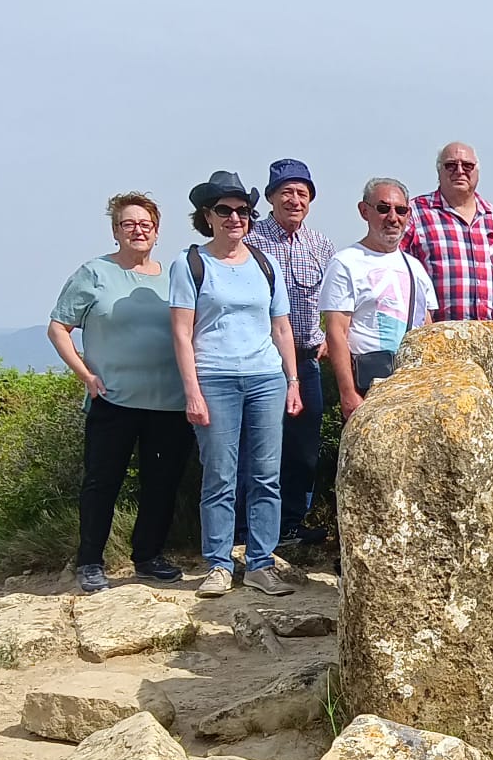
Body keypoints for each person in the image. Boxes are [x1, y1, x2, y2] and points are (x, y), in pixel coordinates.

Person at [46, 193, 192, 594]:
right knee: (101, 482)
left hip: (170, 399)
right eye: (128, 224)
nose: (137, 230)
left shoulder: (175, 275)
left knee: (161, 482)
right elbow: (58, 327)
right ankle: (90, 560)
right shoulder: (94, 273)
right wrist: (85, 374)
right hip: (113, 399)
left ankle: (148, 556)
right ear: (115, 231)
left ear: (157, 230)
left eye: (145, 223)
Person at [168, 170, 303, 598]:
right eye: (224, 210)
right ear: (206, 216)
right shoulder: (190, 264)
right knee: (220, 476)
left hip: (266, 377)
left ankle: (261, 562)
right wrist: (192, 390)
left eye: (242, 210)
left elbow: (281, 328)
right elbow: (181, 333)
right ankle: (219, 564)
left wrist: (293, 381)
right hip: (215, 378)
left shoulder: (266, 264)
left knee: (266, 475)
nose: (234, 218)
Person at [247, 159, 335, 547]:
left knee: (302, 448)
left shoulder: (321, 244)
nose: (294, 200)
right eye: (286, 192)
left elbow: (333, 300)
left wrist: (329, 339)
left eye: (302, 193)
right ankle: (249, 529)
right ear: (270, 198)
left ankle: (292, 524)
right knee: (260, 445)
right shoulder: (251, 240)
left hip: (307, 358)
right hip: (262, 360)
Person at [320, 177, 438, 413]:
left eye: (400, 210)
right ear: (364, 211)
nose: (393, 218)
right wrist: (348, 393)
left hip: (414, 385)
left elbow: (427, 329)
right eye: (383, 209)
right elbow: (336, 332)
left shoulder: (416, 267)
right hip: (369, 386)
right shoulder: (346, 263)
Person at [402, 141, 493, 322]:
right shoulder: (415, 213)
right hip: (436, 336)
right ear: (439, 172)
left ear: (477, 172)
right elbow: (395, 272)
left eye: (467, 165)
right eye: (450, 165)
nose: (459, 170)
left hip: (489, 337)